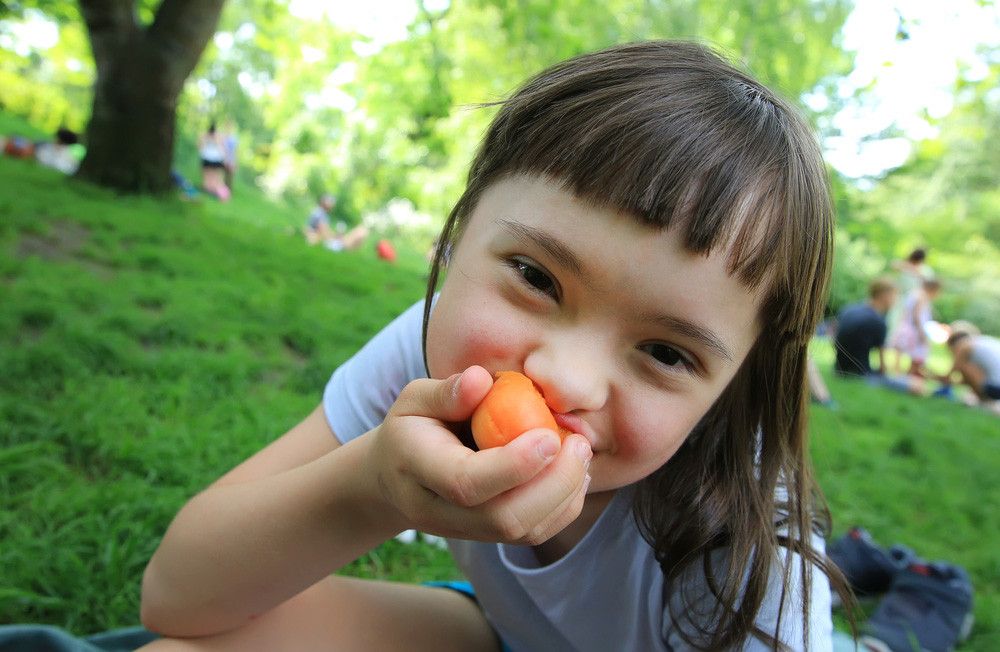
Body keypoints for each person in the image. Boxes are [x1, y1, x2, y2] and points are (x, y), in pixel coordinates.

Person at [139, 41, 846, 651]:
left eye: (666, 353)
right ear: (457, 233)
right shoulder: (429, 352)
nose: (565, 379)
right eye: (537, 277)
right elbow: (177, 593)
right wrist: (372, 490)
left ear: (736, 389)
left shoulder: (750, 562)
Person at [887, 277, 942, 379]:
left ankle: (899, 374)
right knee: (919, 353)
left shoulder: (914, 294)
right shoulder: (922, 296)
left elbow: (905, 312)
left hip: (906, 326)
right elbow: (917, 315)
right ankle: (910, 374)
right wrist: (921, 332)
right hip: (914, 329)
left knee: (900, 351)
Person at [940, 327, 1000, 413]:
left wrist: (930, 376)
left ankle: (985, 402)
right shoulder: (980, 341)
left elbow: (950, 374)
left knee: (965, 367)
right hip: (996, 386)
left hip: (996, 389)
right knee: (973, 368)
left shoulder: (963, 346)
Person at [304, 194, 368, 251]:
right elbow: (324, 233)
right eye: (330, 201)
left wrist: (336, 236)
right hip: (329, 244)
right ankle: (351, 252)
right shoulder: (320, 213)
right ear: (323, 202)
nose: (332, 204)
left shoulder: (320, 213)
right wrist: (336, 238)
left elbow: (324, 231)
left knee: (360, 230)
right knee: (361, 231)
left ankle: (352, 253)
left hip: (329, 241)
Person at [198, 122, 229, 200]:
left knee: (207, 175)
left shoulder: (205, 135)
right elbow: (222, 147)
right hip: (215, 159)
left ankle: (210, 190)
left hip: (207, 157)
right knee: (214, 176)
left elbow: (200, 146)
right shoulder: (218, 136)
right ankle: (212, 191)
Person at [222, 120, 239, 193]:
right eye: (227, 126)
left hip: (231, 160)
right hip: (222, 158)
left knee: (229, 177)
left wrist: (235, 161)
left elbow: (235, 151)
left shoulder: (234, 138)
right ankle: (221, 190)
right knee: (221, 175)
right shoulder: (222, 136)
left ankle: (228, 191)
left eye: (230, 126)